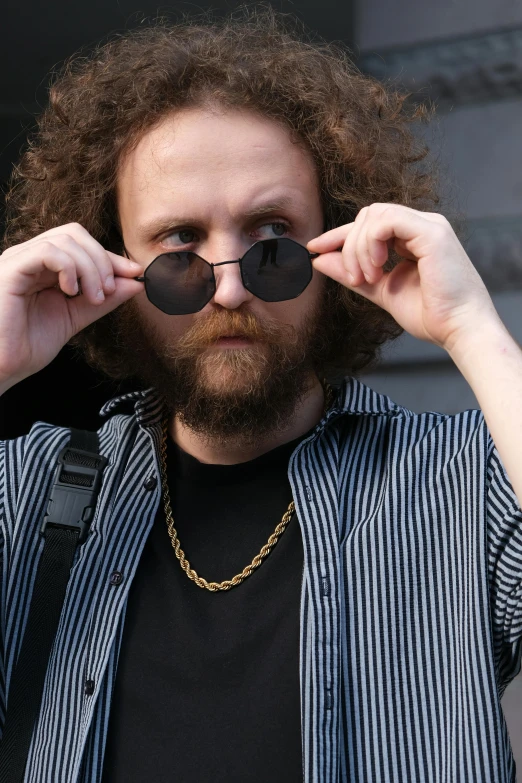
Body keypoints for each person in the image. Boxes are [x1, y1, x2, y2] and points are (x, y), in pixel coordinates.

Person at [0, 11, 521, 783]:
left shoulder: (457, 484)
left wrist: (474, 328)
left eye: (272, 236)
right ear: (114, 270)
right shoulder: (29, 491)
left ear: (335, 241)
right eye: (180, 247)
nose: (231, 287)